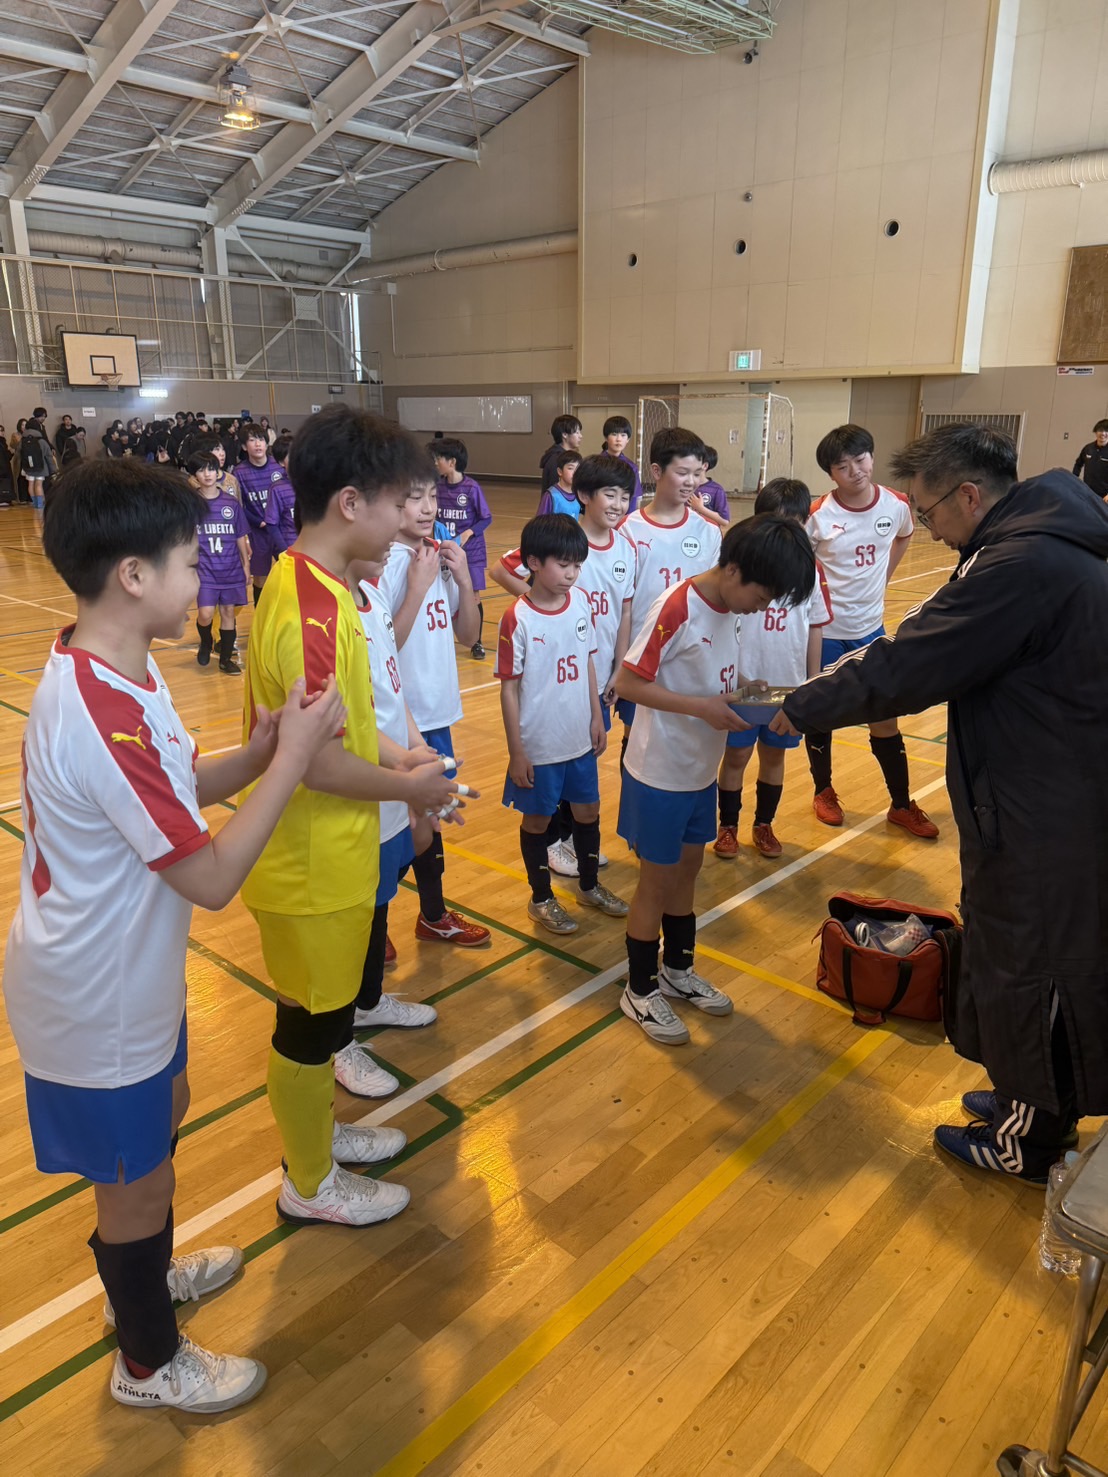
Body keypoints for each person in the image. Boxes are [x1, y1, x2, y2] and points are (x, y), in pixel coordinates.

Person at [2, 456, 345, 1411]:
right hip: (94, 991)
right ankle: (147, 1360)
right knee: (135, 1183)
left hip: (132, 974)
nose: (206, 578)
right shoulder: (100, 713)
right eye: (192, 563)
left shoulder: (120, 664)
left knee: (166, 1118)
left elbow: (178, 784)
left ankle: (141, 1278)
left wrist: (260, 752)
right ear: (133, 575)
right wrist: (297, 760)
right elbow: (213, 878)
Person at [770, 423, 1108, 1182]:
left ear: (969, 495)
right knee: (1018, 951)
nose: (926, 529)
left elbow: (914, 662)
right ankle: (1029, 1099)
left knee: (1032, 961)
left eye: (928, 513)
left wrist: (804, 703)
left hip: (1044, 803)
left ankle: (1029, 1136)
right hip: (1043, 784)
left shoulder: (1021, 564)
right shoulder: (1037, 540)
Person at [242, 405, 464, 1228]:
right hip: (311, 861)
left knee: (325, 1019)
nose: (406, 518)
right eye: (395, 501)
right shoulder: (313, 608)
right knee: (309, 1029)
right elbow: (315, 760)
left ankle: (319, 1138)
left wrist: (401, 761)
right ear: (349, 502)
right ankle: (309, 1180)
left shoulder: (326, 589)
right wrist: (412, 789)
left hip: (333, 848)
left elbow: (346, 732)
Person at [614, 516, 816, 1043]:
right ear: (732, 570)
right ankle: (639, 989)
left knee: (689, 872)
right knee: (656, 884)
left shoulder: (732, 607)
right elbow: (626, 683)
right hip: (660, 773)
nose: (762, 608)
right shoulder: (677, 606)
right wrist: (701, 708)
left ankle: (676, 970)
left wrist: (749, 689)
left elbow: (714, 673)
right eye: (761, 596)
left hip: (699, 772)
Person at [331, 554, 442, 1099]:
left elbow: (392, 692)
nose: (400, 529)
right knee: (348, 919)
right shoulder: (325, 612)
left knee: (378, 902)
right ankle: (335, 1040)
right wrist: (402, 767)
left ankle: (368, 1000)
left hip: (392, 780)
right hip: (360, 788)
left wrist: (418, 748)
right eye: (392, 513)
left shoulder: (372, 597)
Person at [803, 423, 938, 838]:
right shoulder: (818, 514)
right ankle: (823, 791)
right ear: (831, 474)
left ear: (872, 457)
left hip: (870, 631)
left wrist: (884, 577)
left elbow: (904, 536)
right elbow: (800, 564)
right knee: (820, 713)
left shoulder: (896, 505)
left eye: (860, 460)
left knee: (885, 719)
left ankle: (901, 804)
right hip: (826, 632)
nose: (855, 471)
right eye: (842, 467)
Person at [375, 473, 492, 950]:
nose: (427, 508)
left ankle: (432, 915)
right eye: (414, 498)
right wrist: (418, 587)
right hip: (398, 722)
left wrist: (463, 579)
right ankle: (374, 923)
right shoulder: (384, 563)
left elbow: (469, 636)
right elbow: (384, 646)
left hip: (437, 714)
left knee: (428, 822)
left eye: (432, 497)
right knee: (401, 829)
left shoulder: (439, 555)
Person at [497, 513, 628, 935]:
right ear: (534, 562)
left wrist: (596, 715)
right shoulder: (517, 618)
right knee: (538, 822)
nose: (572, 574)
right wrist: (517, 752)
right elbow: (509, 690)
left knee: (588, 812)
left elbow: (588, 662)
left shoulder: (581, 603)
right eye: (563, 564)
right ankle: (541, 898)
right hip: (539, 744)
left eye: (577, 565)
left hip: (578, 737)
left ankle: (588, 886)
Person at [714, 478, 831, 860]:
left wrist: (812, 682)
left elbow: (815, 628)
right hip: (744, 685)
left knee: (774, 757)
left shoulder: (810, 572)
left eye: (793, 524)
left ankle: (763, 824)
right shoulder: (742, 572)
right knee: (735, 757)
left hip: (787, 685)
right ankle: (728, 826)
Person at [614, 426, 720, 772]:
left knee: (686, 743)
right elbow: (622, 605)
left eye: (697, 473)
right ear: (657, 471)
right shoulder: (629, 530)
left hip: (693, 660)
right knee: (636, 740)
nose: (691, 482)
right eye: (682, 472)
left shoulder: (708, 532)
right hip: (643, 658)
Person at [431, 437, 493, 660]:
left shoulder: (471, 488)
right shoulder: (437, 487)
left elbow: (486, 518)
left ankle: (477, 641)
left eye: (439, 458)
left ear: (452, 462)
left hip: (472, 553)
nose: (436, 462)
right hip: (445, 552)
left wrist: (468, 532)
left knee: (473, 595)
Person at [187, 451, 249, 674]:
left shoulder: (230, 503)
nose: (207, 474)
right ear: (194, 475)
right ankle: (206, 641)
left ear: (218, 471)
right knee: (205, 614)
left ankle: (225, 660)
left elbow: (240, 535)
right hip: (205, 570)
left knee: (228, 612)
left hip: (230, 568)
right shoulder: (191, 504)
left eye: (211, 469)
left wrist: (246, 564)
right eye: (201, 470)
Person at [236, 424, 288, 601]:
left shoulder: (279, 466)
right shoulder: (239, 472)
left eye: (261, 439)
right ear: (244, 446)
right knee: (260, 579)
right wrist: (259, 522)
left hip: (282, 530)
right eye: (252, 440)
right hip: (258, 533)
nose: (258, 444)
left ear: (267, 443)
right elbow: (239, 506)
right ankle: (260, 613)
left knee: (289, 572)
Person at [600, 415, 643, 512]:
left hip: (623, 516)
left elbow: (634, 498)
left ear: (628, 439)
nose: (618, 439)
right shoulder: (596, 464)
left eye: (623, 435)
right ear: (606, 437)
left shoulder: (631, 467)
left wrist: (628, 518)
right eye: (614, 434)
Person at [538, 413, 583, 490]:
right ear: (564, 435)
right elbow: (554, 490)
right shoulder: (557, 459)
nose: (581, 436)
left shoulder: (566, 455)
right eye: (577, 432)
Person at [20, 416, 50, 523]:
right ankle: (40, 504)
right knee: (39, 485)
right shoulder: (41, 440)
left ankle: (35, 503)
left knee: (31, 484)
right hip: (40, 466)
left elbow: (19, 453)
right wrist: (53, 468)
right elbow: (48, 455)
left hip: (28, 466)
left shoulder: (23, 440)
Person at [692, 446, 731, 529]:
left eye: (694, 459)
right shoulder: (683, 486)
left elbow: (724, 521)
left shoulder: (717, 490)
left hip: (707, 533)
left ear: (704, 466)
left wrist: (701, 509)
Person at [537, 449, 582, 519]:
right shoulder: (551, 495)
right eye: (570, 468)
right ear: (560, 471)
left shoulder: (578, 494)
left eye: (578, 468)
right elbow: (540, 521)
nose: (575, 472)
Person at [1072, 418, 1108, 499]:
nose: (1103, 433)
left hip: (1104, 497)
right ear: (1095, 432)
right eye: (1100, 430)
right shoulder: (1088, 448)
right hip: (1087, 492)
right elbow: (1078, 464)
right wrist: (1074, 480)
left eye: (1106, 431)